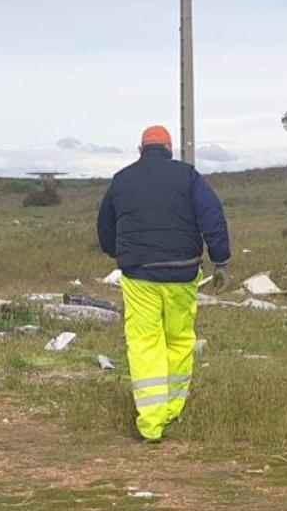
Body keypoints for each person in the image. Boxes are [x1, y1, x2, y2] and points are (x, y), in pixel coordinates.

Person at [97, 125, 231, 443]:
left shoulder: (122, 179)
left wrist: (123, 253)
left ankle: (150, 424)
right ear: (170, 150)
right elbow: (212, 215)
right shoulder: (188, 176)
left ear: (140, 150)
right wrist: (221, 260)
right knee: (179, 340)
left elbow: (105, 228)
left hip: (139, 275)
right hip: (183, 273)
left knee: (145, 343)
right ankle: (172, 409)